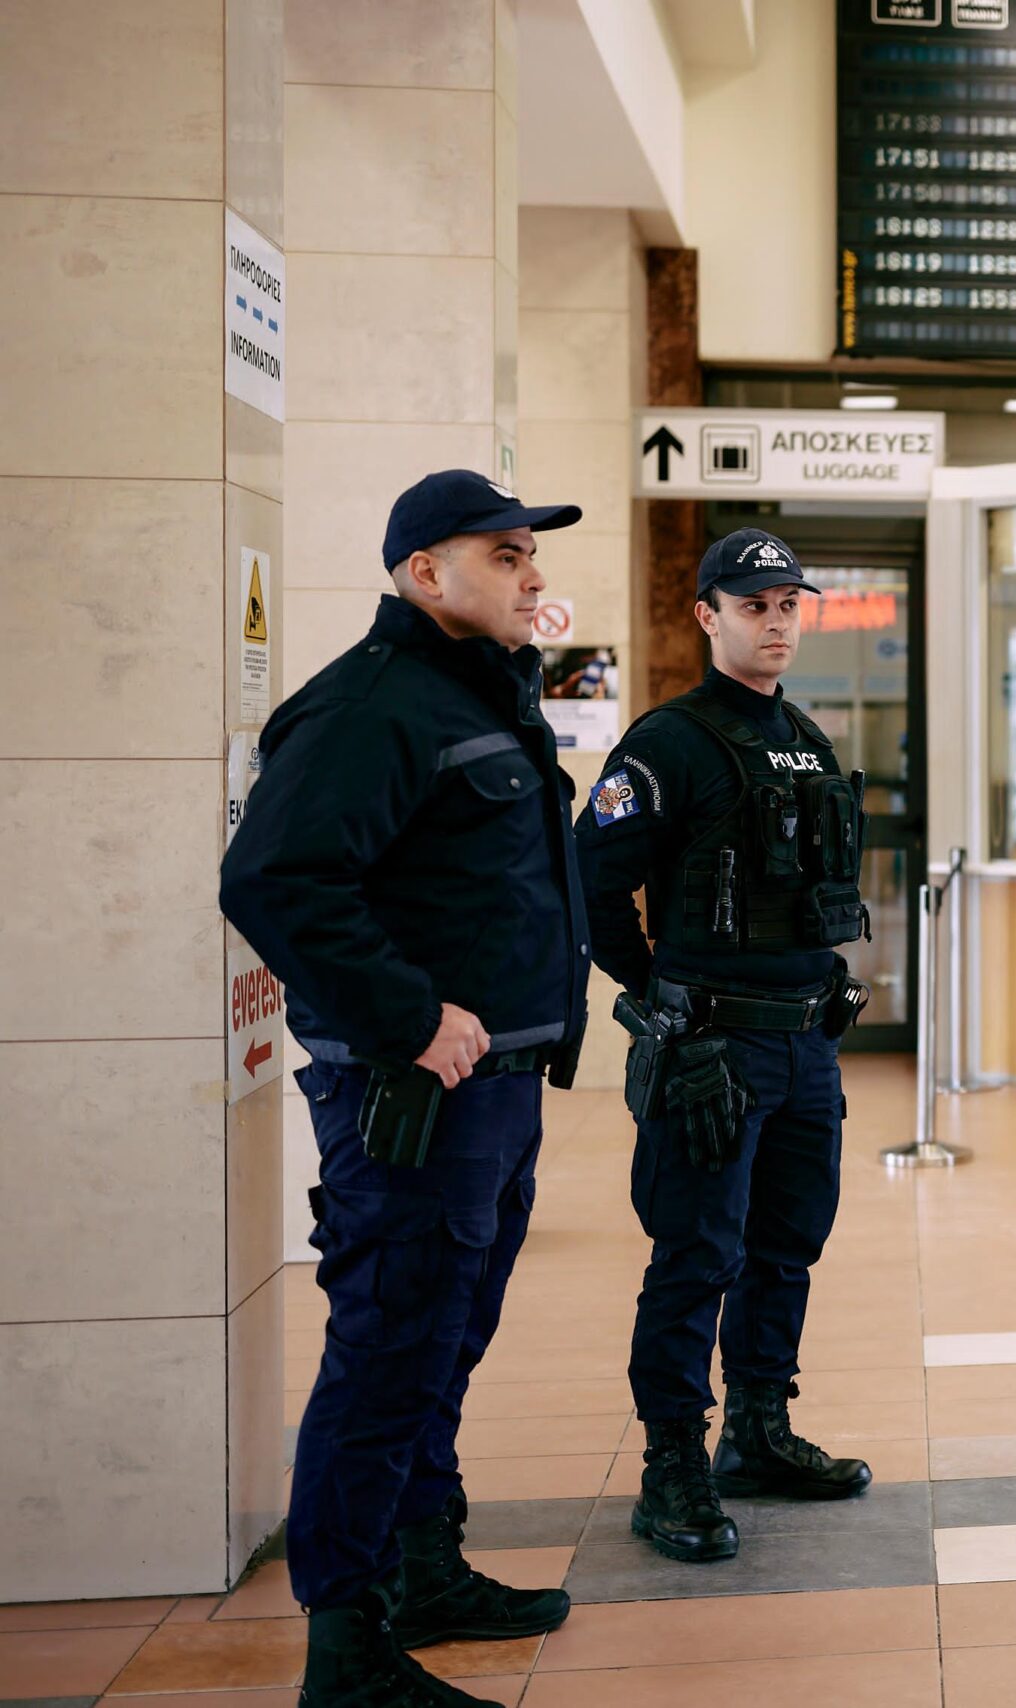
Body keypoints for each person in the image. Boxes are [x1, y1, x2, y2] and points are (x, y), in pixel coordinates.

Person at [219, 470, 589, 1708]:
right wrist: (407, 1015)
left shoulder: (476, 691)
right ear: (424, 572)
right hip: (418, 1098)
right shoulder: (372, 705)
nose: (530, 572)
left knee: (442, 1345)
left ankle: (425, 1568)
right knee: (387, 1355)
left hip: (498, 1091)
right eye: (504, 552)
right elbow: (274, 881)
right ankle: (350, 1649)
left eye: (530, 552)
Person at [576, 530, 876, 1566]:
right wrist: (663, 998)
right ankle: (673, 1464)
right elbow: (595, 885)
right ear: (707, 615)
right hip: (713, 1051)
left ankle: (757, 1429)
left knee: (787, 1244)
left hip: (802, 1048)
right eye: (755, 604)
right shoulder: (668, 743)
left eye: (791, 602)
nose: (777, 620)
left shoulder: (805, 735)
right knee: (695, 1254)